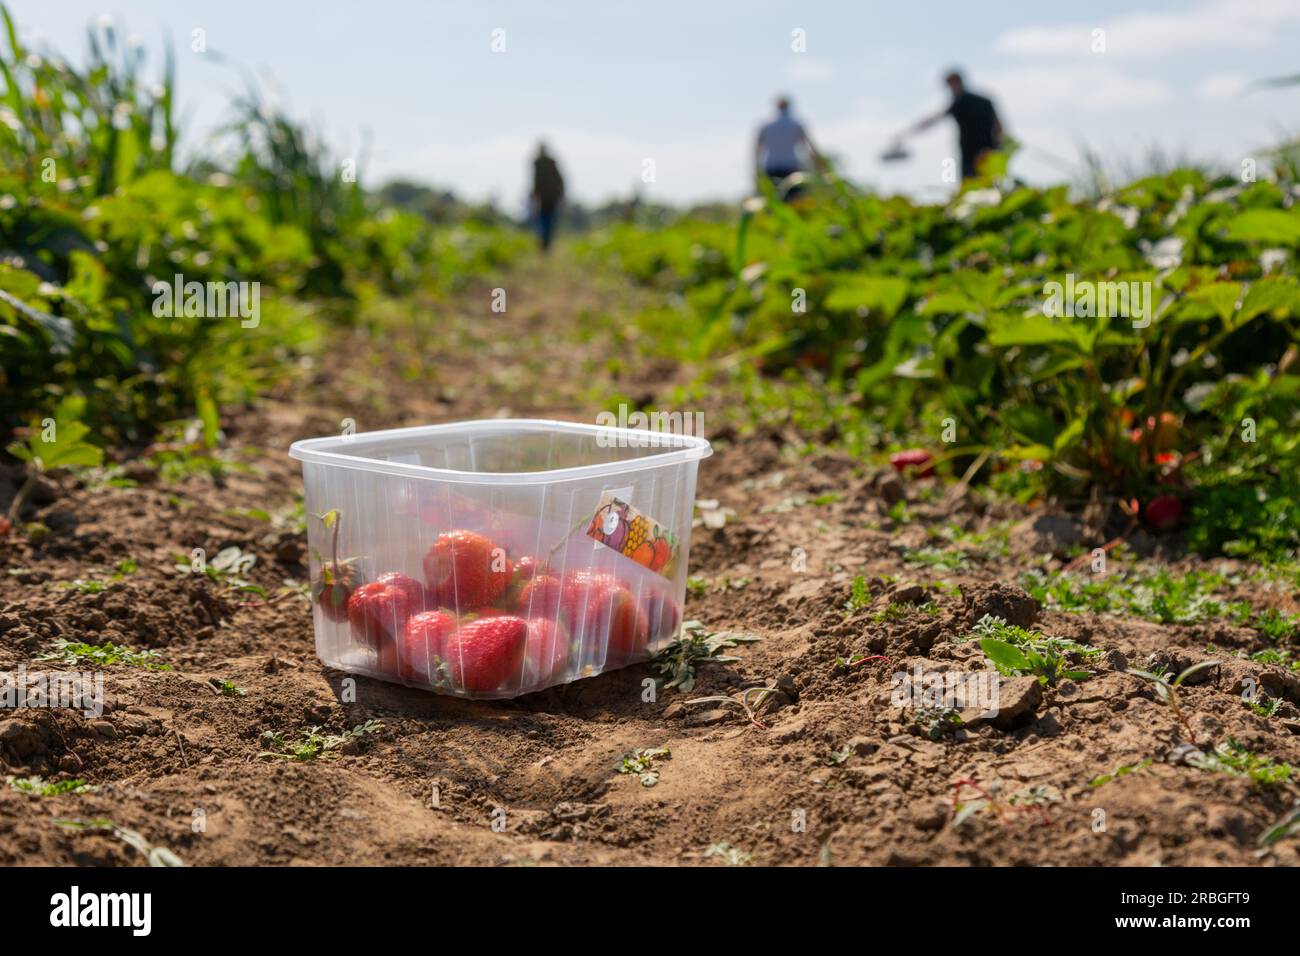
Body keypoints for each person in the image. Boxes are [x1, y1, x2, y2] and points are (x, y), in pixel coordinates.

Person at [905, 70, 1004, 180]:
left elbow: (935, 119)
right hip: (988, 150)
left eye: (950, 86)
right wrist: (998, 147)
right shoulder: (984, 101)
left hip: (972, 153)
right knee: (990, 180)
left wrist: (909, 131)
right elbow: (999, 127)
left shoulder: (960, 102)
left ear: (956, 83)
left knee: (972, 182)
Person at [755, 96, 823, 198]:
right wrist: (820, 164)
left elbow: (758, 149)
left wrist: (757, 170)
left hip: (771, 168)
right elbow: (808, 146)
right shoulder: (796, 124)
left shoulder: (766, 125)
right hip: (792, 167)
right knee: (794, 201)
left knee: (775, 200)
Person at [530, 143, 565, 252]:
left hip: (544, 198)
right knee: (548, 221)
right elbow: (560, 180)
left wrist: (534, 194)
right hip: (551, 197)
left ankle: (544, 243)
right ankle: (545, 243)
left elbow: (536, 180)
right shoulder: (549, 163)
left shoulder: (538, 163)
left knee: (544, 221)